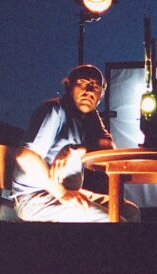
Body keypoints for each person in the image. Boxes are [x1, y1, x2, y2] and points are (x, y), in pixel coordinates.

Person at [11, 64, 139, 222]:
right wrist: (63, 194)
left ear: (100, 97)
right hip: (35, 197)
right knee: (115, 221)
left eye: (96, 87)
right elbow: (25, 157)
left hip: (65, 191)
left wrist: (76, 150)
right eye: (83, 83)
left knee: (130, 212)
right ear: (68, 86)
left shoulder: (86, 117)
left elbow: (108, 148)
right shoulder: (55, 110)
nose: (89, 91)